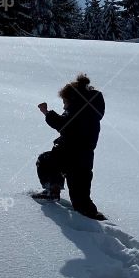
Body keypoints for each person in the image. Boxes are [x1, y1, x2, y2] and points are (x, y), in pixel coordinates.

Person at [32, 73, 106, 220]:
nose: (64, 105)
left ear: (72, 99)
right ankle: (90, 214)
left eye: (64, 102)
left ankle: (52, 190)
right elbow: (73, 129)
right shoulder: (91, 112)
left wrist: (47, 113)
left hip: (68, 154)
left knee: (45, 160)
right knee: (81, 193)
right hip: (85, 158)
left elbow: (63, 124)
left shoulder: (77, 111)